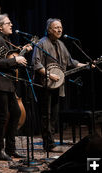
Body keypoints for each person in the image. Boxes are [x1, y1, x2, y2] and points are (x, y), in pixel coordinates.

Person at [32, 18, 87, 152]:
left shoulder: (61, 44)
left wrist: (86, 65)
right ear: (49, 30)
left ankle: (50, 142)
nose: (59, 30)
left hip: (57, 85)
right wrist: (49, 74)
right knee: (46, 114)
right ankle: (48, 144)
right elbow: (36, 63)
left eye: (60, 27)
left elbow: (70, 62)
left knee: (54, 115)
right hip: (44, 85)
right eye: (56, 27)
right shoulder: (41, 44)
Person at [0, 13, 32, 161]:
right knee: (2, 117)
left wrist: (22, 52)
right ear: (0, 26)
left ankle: (10, 149)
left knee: (16, 113)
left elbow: (8, 57)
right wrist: (16, 60)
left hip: (8, 84)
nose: (11, 25)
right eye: (8, 23)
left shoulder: (5, 39)